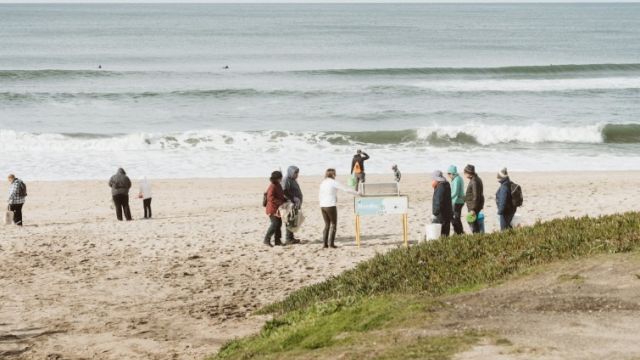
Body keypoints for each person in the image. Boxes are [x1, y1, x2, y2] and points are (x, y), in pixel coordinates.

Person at [319, 168, 357, 249]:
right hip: (330, 205)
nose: (335, 175)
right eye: (335, 173)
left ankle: (325, 244)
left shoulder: (323, 182)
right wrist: (357, 193)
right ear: (333, 174)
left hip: (322, 205)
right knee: (333, 224)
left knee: (326, 225)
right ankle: (331, 244)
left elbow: (321, 194)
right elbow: (346, 189)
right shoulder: (333, 182)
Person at [264, 171, 286, 247]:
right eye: (280, 178)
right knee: (275, 224)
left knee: (279, 224)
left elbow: (280, 195)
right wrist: (280, 202)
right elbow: (270, 198)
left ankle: (277, 241)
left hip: (278, 209)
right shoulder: (272, 186)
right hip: (272, 209)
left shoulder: (278, 185)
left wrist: (284, 199)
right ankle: (266, 240)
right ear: (276, 178)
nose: (281, 179)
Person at [283, 166, 302, 244]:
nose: (297, 175)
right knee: (289, 220)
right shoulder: (286, 180)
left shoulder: (292, 179)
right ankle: (288, 239)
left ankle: (291, 238)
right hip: (290, 204)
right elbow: (284, 192)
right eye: (295, 173)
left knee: (293, 220)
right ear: (291, 172)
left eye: (297, 173)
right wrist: (293, 198)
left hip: (295, 204)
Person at [463, 164, 484, 234]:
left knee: (472, 222)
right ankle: (478, 235)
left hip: (473, 206)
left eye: (465, 173)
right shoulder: (476, 179)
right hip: (475, 205)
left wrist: (473, 209)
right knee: (474, 222)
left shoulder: (474, 181)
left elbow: (476, 196)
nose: (464, 174)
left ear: (469, 173)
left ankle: (477, 237)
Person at [431, 170, 453, 237]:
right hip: (447, 213)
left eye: (433, 179)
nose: (432, 180)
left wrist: (435, 213)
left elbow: (438, 201)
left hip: (441, 215)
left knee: (440, 233)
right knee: (445, 233)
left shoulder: (440, 187)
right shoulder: (446, 184)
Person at [447, 165, 465, 235]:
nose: (448, 176)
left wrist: (448, 198)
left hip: (457, 201)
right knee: (456, 218)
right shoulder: (457, 178)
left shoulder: (457, 179)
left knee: (455, 218)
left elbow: (455, 192)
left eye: (449, 174)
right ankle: (458, 232)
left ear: (452, 173)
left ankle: (459, 232)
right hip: (458, 201)